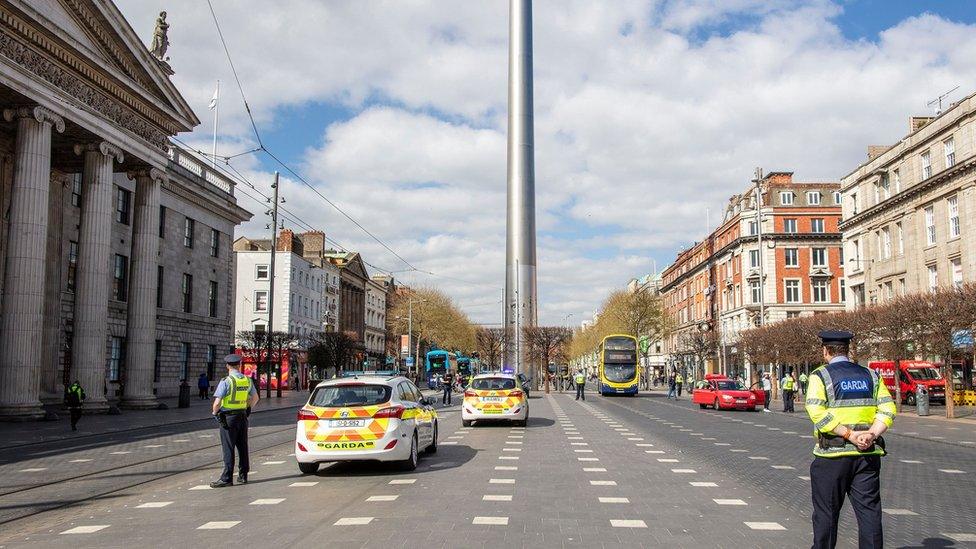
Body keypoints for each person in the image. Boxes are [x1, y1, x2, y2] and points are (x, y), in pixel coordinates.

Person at [806, 330, 896, 549]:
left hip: (832, 456)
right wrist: (871, 434)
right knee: (870, 514)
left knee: (826, 515)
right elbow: (888, 409)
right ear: (848, 350)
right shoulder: (871, 375)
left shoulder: (821, 375)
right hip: (866, 455)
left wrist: (848, 434)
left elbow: (816, 411)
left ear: (825, 351)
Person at [210, 354, 259, 488]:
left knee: (228, 447)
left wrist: (215, 413)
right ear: (239, 365)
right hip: (242, 416)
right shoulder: (247, 380)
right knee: (242, 446)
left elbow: (217, 403)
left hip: (228, 418)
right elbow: (255, 398)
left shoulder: (226, 381)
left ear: (227, 366)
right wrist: (247, 408)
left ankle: (227, 477)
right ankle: (243, 475)